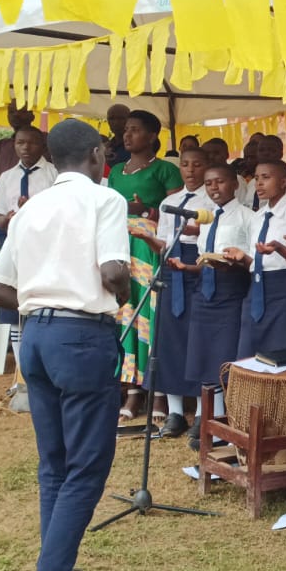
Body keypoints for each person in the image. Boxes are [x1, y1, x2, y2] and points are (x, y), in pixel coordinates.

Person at [0, 118, 131, 571]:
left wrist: (42, 296)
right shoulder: (105, 199)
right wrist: (124, 291)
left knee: (54, 463)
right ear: (97, 156)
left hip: (36, 338)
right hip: (81, 337)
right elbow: (112, 272)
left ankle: (56, 568)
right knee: (87, 465)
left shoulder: (32, 207)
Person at [130, 148, 211, 439]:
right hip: (169, 267)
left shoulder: (210, 202)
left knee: (196, 340)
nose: (190, 170)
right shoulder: (169, 203)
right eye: (185, 165)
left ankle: (202, 412)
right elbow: (164, 243)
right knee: (169, 339)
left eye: (197, 165)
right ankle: (175, 412)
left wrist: (194, 232)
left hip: (197, 267)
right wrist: (149, 239)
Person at [108, 110, 182, 423]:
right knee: (124, 313)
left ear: (152, 136)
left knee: (149, 315)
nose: (127, 135)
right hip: (119, 246)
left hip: (149, 248)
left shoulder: (166, 170)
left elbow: (180, 214)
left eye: (135, 130)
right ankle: (130, 389)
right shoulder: (116, 171)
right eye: (126, 130)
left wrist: (147, 211)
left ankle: (157, 392)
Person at [177, 164, 250, 449]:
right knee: (205, 357)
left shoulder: (246, 216)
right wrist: (187, 267)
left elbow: (251, 260)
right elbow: (203, 259)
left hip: (231, 291)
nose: (214, 188)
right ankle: (211, 423)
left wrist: (234, 262)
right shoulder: (205, 218)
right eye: (209, 184)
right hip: (205, 291)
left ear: (235, 184)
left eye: (220, 182)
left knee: (226, 359)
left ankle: (230, 426)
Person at [0, 126, 57, 380]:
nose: (25, 148)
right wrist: (10, 218)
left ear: (43, 146)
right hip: (15, 247)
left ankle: (40, 371)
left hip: (43, 249)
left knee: (39, 303)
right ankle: (22, 374)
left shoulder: (53, 174)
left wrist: (33, 212)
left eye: (32, 143)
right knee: (13, 311)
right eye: (20, 143)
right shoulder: (7, 177)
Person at [226, 160, 286, 358]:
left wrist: (280, 248)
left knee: (280, 350)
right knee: (249, 350)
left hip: (285, 288)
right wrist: (242, 258)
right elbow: (256, 262)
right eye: (256, 178)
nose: (259, 184)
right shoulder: (257, 217)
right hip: (256, 288)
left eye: (266, 177)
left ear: (283, 182)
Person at [0, 103, 37, 189]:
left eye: (21, 111)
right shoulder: (0, 146)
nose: (16, 115)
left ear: (32, 116)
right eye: (11, 112)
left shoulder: (44, 141)